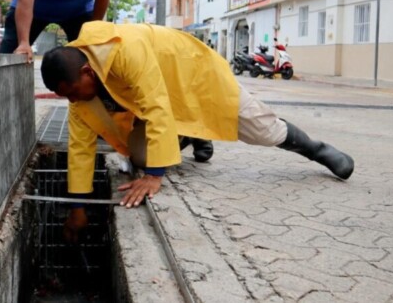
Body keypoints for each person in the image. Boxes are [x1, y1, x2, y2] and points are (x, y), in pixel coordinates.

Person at [39, 21, 354, 241]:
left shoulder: (124, 50)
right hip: (159, 102)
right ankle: (188, 134)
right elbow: (81, 149)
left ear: (86, 71)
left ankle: (315, 149)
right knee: (141, 154)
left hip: (193, 73)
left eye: (73, 92)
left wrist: (155, 177)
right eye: (66, 96)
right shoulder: (79, 93)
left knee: (261, 129)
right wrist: (77, 208)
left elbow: (157, 107)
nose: (72, 100)